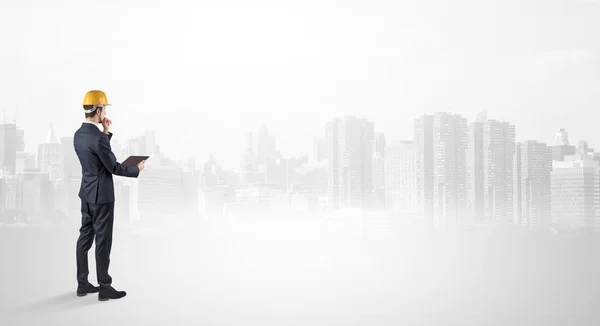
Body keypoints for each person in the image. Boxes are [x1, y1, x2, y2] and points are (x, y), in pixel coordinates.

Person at [73, 90, 145, 301]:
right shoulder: (98, 139)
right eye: (103, 108)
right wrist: (136, 169)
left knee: (84, 238)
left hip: (86, 193)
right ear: (98, 110)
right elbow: (112, 166)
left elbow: (96, 156)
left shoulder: (79, 135)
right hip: (102, 198)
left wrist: (105, 131)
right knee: (103, 242)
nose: (104, 111)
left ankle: (83, 284)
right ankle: (105, 287)